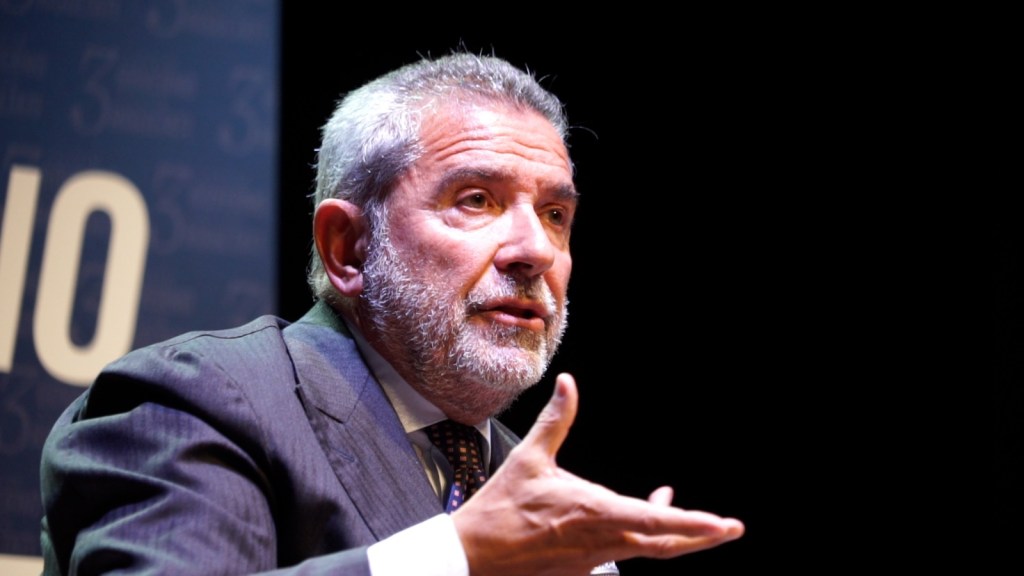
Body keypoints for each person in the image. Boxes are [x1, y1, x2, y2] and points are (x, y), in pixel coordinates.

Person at [39, 52, 744, 575]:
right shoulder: (191, 402)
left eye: (556, 214)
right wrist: (460, 555)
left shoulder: (521, 490)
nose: (535, 249)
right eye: (477, 200)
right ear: (348, 246)